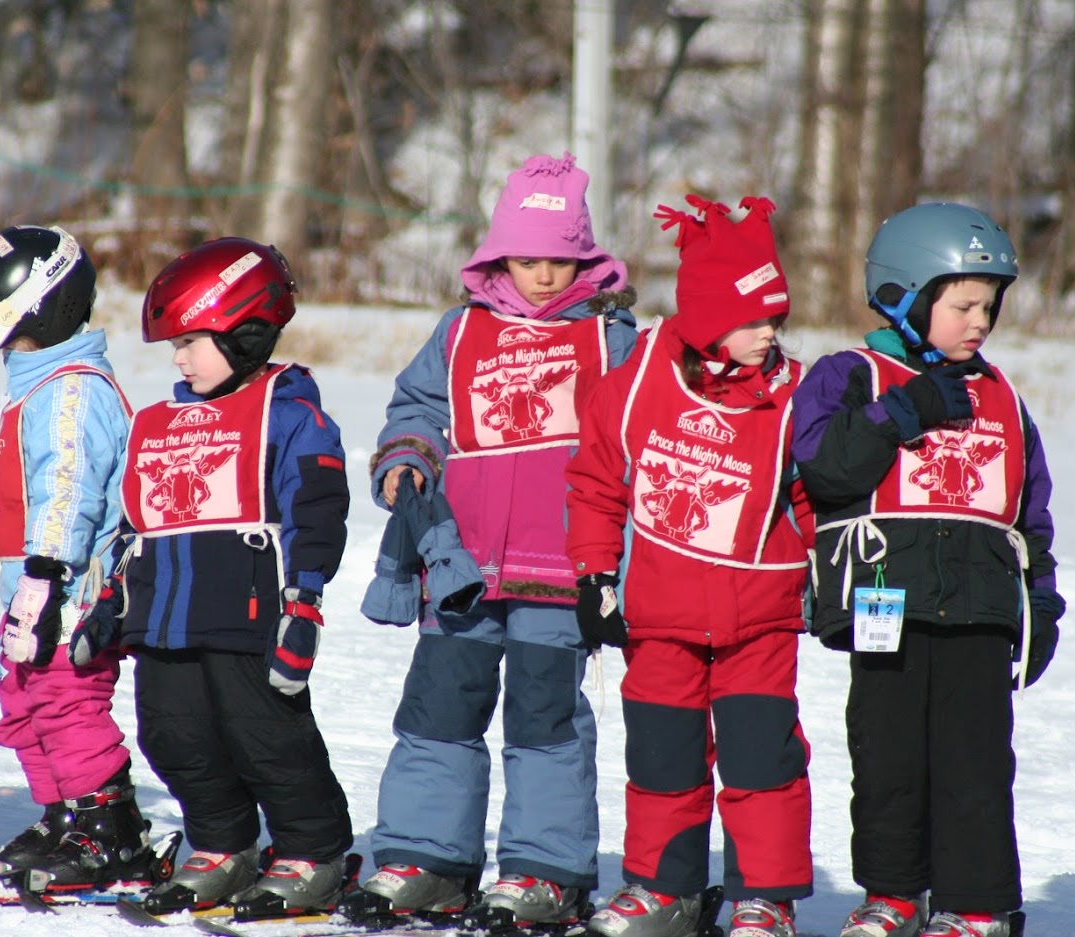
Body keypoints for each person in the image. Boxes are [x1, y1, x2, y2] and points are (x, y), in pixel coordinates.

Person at [353, 152, 638, 930]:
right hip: (461, 565)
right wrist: (406, 456)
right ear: (496, 256)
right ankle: (427, 858)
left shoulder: (609, 339)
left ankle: (545, 871)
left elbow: (637, 435)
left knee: (544, 720)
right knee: (438, 710)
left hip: (560, 566)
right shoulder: (460, 331)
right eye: (526, 258)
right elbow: (415, 407)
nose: (543, 275)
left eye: (559, 259)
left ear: (583, 257)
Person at [790, 202, 1063, 937]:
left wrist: (1040, 600)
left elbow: (1026, 512)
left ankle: (975, 907)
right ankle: (893, 893)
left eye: (989, 304)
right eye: (962, 303)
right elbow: (822, 468)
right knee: (887, 761)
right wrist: (901, 410)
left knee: (974, 766)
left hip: (978, 608)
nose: (980, 319)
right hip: (886, 603)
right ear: (903, 294)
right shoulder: (852, 375)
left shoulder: (1000, 395)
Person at [79, 237, 354, 916]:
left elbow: (315, 511)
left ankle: (311, 851)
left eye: (190, 342)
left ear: (247, 330)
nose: (176, 359)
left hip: (246, 616)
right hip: (163, 618)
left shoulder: (288, 414)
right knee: (173, 735)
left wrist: (305, 602)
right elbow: (135, 525)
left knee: (266, 739)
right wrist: (112, 601)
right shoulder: (159, 423)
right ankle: (220, 844)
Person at [566, 196, 814, 937]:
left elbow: (810, 500)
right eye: (752, 319)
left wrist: (831, 576)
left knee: (760, 762)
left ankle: (763, 897)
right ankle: (662, 888)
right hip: (659, 615)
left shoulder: (795, 394)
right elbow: (595, 484)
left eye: (776, 317)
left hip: (760, 619)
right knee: (663, 761)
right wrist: (593, 574)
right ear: (707, 318)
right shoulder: (638, 381)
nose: (768, 332)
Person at [0, 224, 145, 888]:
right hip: (26, 584)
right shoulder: (40, 383)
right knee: (23, 700)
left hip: (68, 585)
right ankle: (63, 811)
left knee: (64, 697)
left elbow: (69, 485)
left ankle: (108, 823)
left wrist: (46, 571)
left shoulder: (72, 389)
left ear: (44, 308)